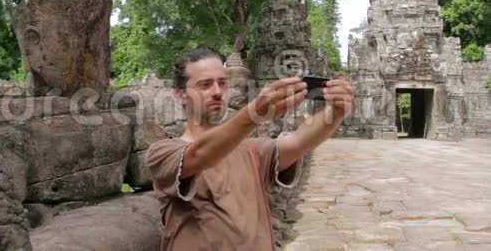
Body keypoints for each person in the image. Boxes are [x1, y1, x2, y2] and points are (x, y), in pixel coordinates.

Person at [146, 48, 354, 251]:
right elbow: (200, 155)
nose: (218, 92)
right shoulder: (163, 153)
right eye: (205, 85)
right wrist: (254, 114)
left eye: (222, 83)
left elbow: (299, 142)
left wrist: (335, 113)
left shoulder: (251, 150)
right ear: (181, 95)